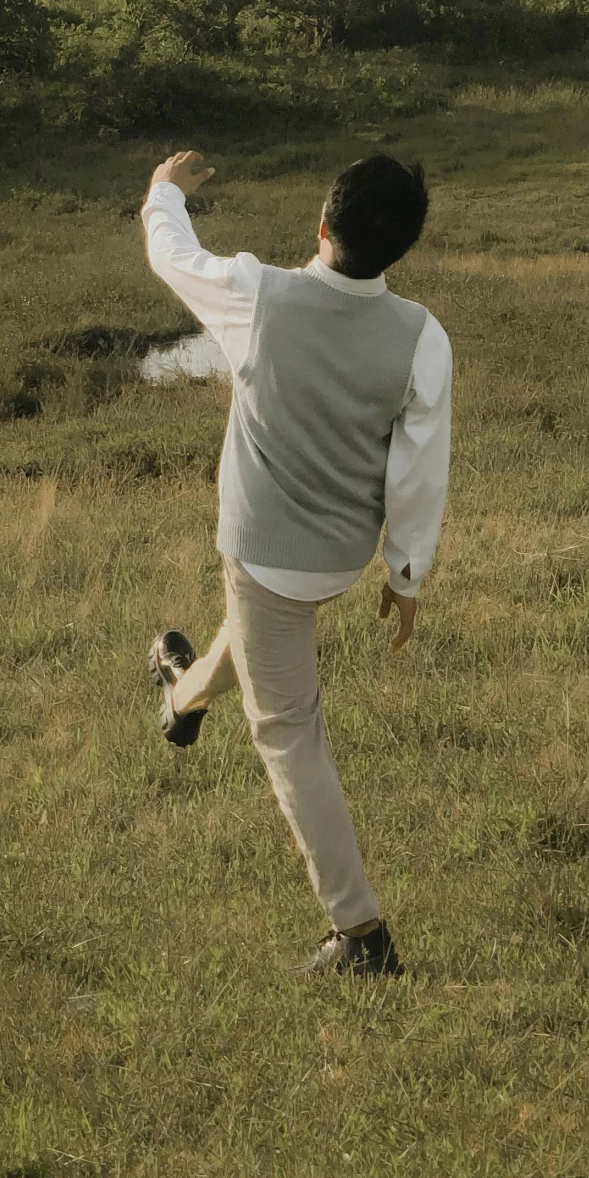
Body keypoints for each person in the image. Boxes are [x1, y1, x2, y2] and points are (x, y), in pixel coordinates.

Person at [142, 147, 452, 979]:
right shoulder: (422, 337)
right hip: (340, 557)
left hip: (265, 555)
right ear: (399, 248)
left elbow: (172, 256)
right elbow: (418, 467)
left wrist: (164, 193)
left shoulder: (262, 297)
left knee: (287, 731)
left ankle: (361, 935)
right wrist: (405, 574)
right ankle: (180, 699)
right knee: (251, 637)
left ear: (322, 228)